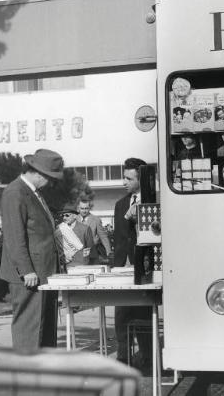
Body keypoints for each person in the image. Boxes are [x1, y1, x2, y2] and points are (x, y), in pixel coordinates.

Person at [0, 148, 64, 351]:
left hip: (42, 272)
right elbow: (14, 237)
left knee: (44, 327)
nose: (52, 183)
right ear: (38, 173)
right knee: (30, 328)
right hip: (30, 274)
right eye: (50, 178)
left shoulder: (32, 193)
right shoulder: (15, 192)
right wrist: (26, 270)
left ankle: (41, 374)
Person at [113, 157, 152, 368]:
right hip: (123, 267)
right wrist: (116, 266)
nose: (124, 182)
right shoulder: (120, 205)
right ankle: (123, 359)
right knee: (121, 317)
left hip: (145, 266)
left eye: (128, 178)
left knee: (143, 314)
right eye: (124, 178)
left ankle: (147, 358)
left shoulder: (153, 200)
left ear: (140, 178)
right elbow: (119, 239)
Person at [56, 203, 93, 269]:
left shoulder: (85, 229)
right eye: (63, 215)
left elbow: (90, 249)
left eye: (67, 215)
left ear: (75, 216)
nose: (64, 218)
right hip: (65, 266)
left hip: (81, 266)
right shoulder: (59, 229)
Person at [77, 197, 112, 265]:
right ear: (78, 208)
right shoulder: (74, 219)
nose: (84, 211)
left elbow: (103, 236)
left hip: (92, 254)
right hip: (77, 254)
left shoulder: (96, 220)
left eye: (86, 208)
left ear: (89, 208)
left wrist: (108, 252)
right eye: (82, 208)